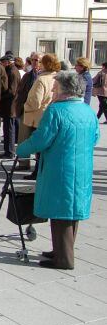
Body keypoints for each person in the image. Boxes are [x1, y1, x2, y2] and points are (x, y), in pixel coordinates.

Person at [16, 71, 99, 270]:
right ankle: (62, 250)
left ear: (64, 90)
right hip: (81, 168)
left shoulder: (56, 111)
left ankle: (64, 259)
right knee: (72, 212)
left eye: (55, 88)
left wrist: (21, 149)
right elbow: (95, 138)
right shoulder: (87, 110)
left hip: (60, 169)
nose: (53, 91)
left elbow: (42, 139)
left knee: (61, 212)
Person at [22, 54, 60, 180]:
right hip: (51, 114)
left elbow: (35, 101)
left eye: (41, 62)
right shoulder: (57, 77)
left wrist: (26, 107)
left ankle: (38, 172)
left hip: (39, 116)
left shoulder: (42, 79)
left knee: (39, 146)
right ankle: (43, 171)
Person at [13, 53, 41, 169]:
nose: (35, 62)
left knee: (39, 139)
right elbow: (20, 92)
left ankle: (39, 165)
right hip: (26, 110)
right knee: (23, 138)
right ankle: (23, 163)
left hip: (40, 113)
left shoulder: (46, 76)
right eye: (33, 60)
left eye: (38, 60)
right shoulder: (27, 75)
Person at [0, 54, 21, 158]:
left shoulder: (12, 72)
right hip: (9, 105)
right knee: (8, 128)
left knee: (9, 129)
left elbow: (12, 91)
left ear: (8, 62)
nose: (1, 64)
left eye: (2, 62)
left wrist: (0, 96)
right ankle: (8, 150)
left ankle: (9, 151)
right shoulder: (11, 70)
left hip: (10, 105)